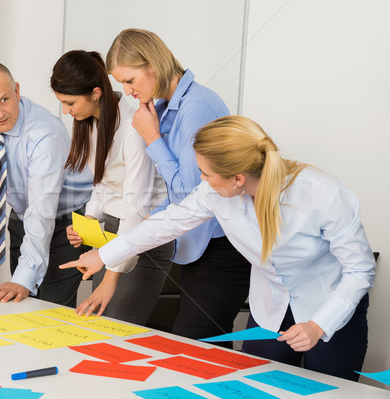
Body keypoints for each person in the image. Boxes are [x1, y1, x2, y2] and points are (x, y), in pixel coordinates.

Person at [61, 115, 375, 381]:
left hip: (331, 308)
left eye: (206, 174)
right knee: (260, 387)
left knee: (331, 392)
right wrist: (104, 255)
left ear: (237, 178)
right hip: (271, 308)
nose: (201, 180)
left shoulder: (323, 194)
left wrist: (319, 324)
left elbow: (360, 270)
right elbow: (166, 223)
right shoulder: (214, 192)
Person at [81, 28, 250, 342]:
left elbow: (190, 193)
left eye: (130, 80)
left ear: (152, 66)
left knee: (194, 348)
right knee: (193, 346)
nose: (127, 91)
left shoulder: (194, 108)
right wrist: (153, 213)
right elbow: (170, 188)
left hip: (220, 250)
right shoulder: (161, 110)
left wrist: (152, 138)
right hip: (194, 247)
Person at [0, 61, 93, 307]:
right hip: (22, 213)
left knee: (49, 313)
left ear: (17, 91)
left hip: (69, 222)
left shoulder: (45, 133)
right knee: (20, 307)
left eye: (4, 100)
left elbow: (42, 208)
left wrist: (24, 277)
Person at [50, 50, 173, 325]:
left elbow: (136, 207)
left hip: (143, 234)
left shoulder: (132, 127)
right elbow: (104, 184)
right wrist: (90, 220)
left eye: (69, 102)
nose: (65, 111)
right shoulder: (91, 124)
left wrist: (110, 277)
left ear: (95, 93)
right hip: (113, 234)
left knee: (113, 328)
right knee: (97, 326)